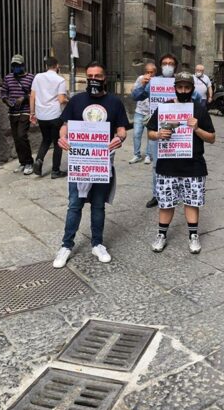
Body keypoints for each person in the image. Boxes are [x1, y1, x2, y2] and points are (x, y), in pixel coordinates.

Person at [53, 61, 129, 268]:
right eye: (90, 76)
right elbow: (65, 126)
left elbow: (122, 129)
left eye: (98, 76)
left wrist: (119, 139)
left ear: (105, 78)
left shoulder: (114, 102)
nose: (94, 79)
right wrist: (62, 138)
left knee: (98, 205)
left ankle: (97, 243)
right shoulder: (77, 101)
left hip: (102, 161)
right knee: (74, 204)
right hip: (80, 161)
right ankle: (66, 245)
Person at [147, 71, 215, 254]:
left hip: (193, 165)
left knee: (192, 202)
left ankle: (193, 235)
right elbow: (150, 132)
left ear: (192, 89)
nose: (183, 90)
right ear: (175, 88)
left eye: (187, 87)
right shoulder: (164, 107)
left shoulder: (199, 109)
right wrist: (158, 134)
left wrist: (197, 128)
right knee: (165, 203)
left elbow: (212, 138)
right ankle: (161, 235)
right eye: (180, 87)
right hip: (167, 164)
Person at [132, 53, 201, 209]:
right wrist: (142, 84)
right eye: (165, 63)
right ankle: (157, 194)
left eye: (171, 63)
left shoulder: (182, 82)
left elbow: (197, 98)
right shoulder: (153, 82)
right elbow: (136, 96)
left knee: (181, 160)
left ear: (175, 66)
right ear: (160, 65)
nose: (168, 66)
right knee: (157, 164)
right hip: (158, 128)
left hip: (181, 128)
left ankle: (179, 191)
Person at [30, 56, 68, 178]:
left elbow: (32, 96)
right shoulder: (60, 80)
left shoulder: (37, 77)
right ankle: (55, 171)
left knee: (46, 140)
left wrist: (32, 113)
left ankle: (39, 160)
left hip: (41, 115)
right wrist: (68, 100)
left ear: (46, 66)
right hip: (55, 115)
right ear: (57, 66)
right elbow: (61, 100)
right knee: (57, 142)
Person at [0, 54, 34, 175]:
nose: (15, 67)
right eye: (13, 65)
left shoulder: (31, 78)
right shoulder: (8, 78)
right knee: (16, 139)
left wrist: (24, 98)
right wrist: (6, 101)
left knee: (21, 135)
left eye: (18, 65)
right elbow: (3, 93)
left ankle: (29, 162)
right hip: (13, 112)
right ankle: (22, 162)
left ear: (23, 65)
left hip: (25, 111)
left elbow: (34, 94)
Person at [129, 62, 157, 165]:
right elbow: (133, 92)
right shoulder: (140, 78)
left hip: (151, 112)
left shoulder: (158, 80)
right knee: (136, 134)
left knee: (150, 135)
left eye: (151, 72)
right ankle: (137, 155)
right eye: (147, 72)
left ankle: (149, 155)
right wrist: (142, 84)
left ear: (155, 72)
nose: (149, 74)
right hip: (140, 111)